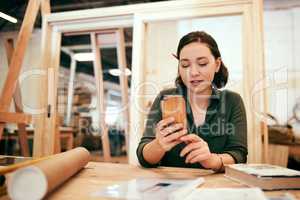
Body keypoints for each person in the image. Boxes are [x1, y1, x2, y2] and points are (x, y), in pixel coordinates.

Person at [136, 31, 247, 172]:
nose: (193, 72)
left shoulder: (232, 101)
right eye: (185, 65)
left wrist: (212, 160)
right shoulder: (165, 98)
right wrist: (159, 145)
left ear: (217, 64)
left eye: (202, 63)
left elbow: (239, 155)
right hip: (171, 187)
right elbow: (143, 156)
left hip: (214, 188)